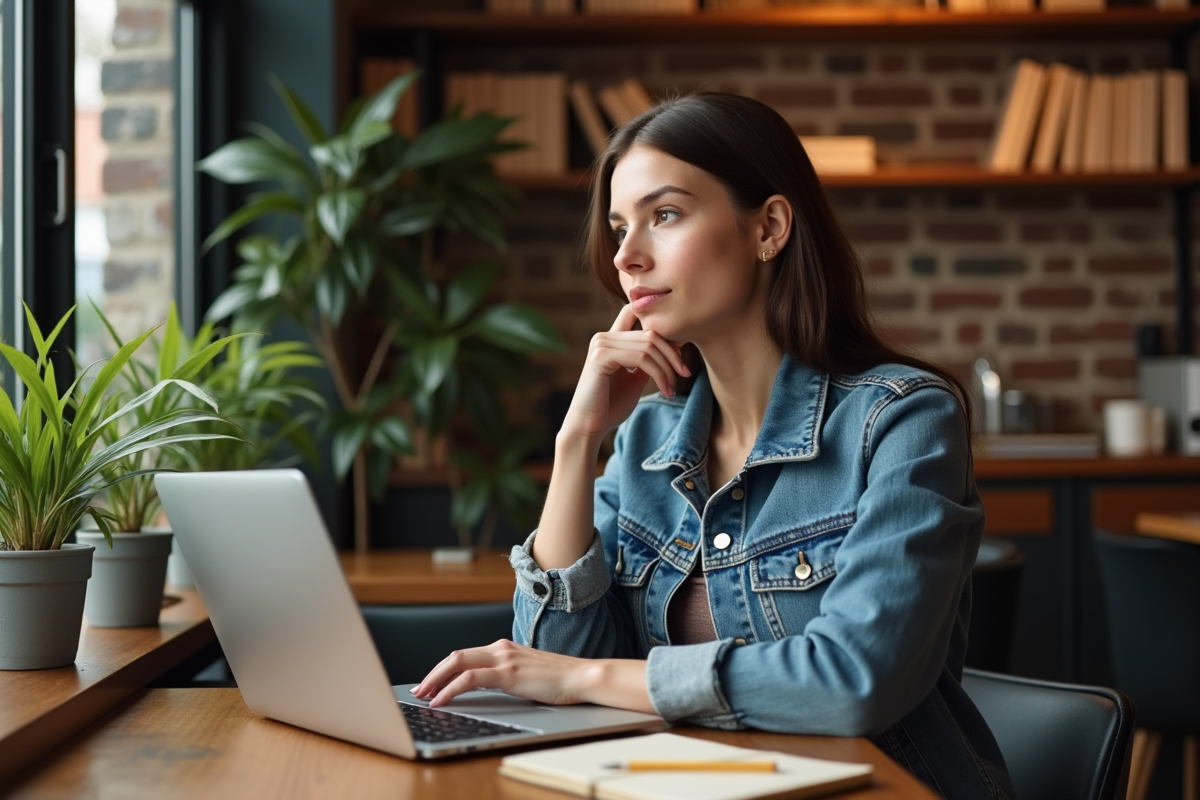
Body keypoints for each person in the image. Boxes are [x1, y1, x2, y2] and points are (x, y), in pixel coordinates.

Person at [413, 93, 1015, 800]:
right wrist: (578, 440)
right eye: (618, 227)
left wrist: (584, 679)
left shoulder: (902, 420)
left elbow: (853, 681)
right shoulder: (645, 436)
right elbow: (553, 658)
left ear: (769, 227)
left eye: (664, 215)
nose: (627, 256)